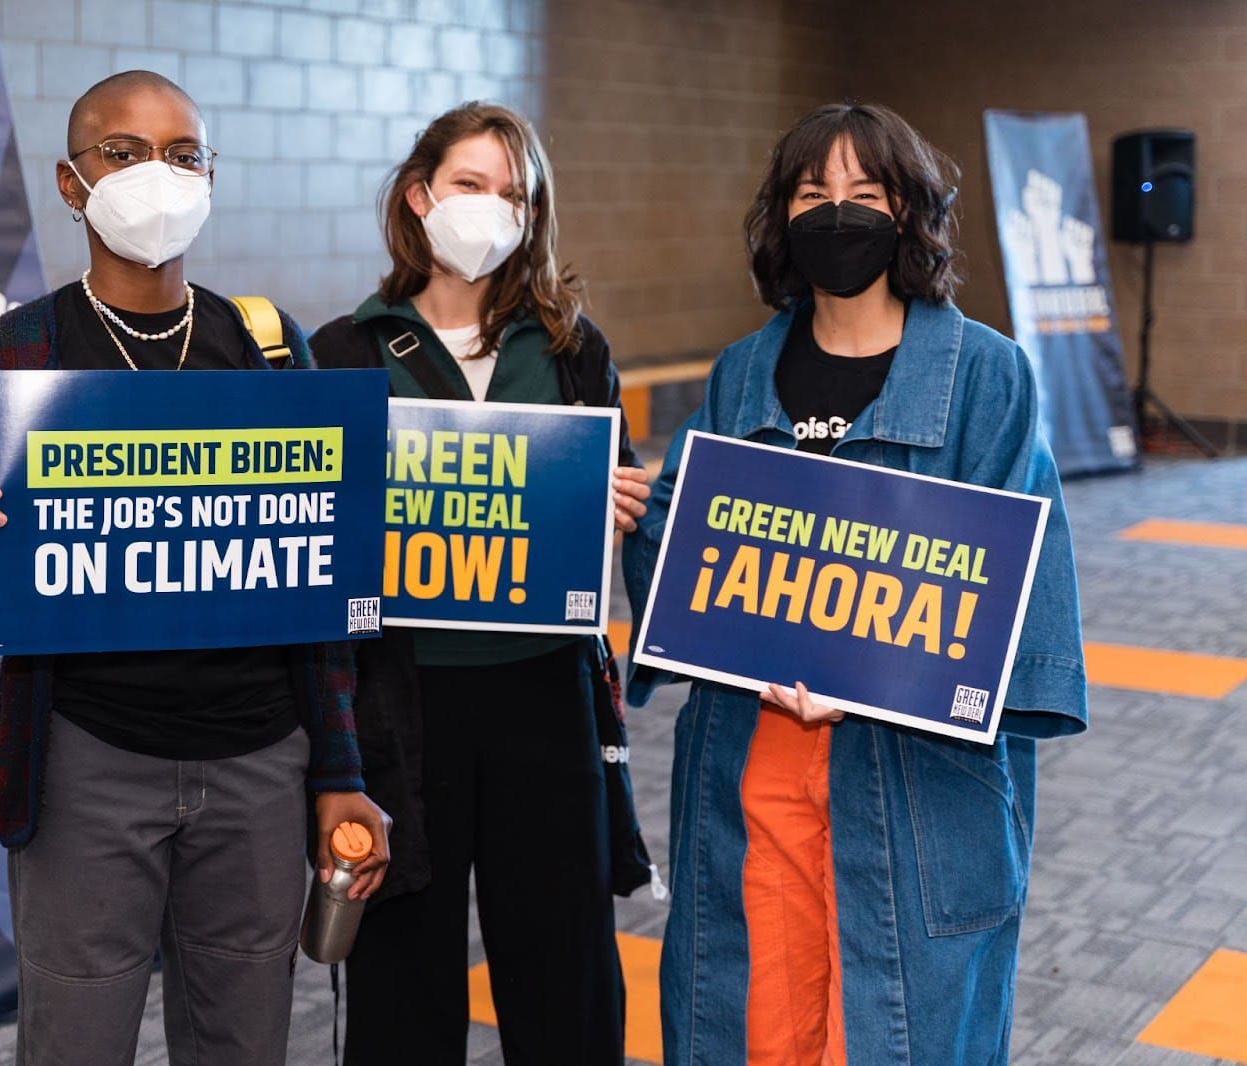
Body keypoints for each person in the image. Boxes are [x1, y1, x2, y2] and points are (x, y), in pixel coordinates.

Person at [0, 70, 390, 1066]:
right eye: (122, 153)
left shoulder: (270, 352)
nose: (155, 176)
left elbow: (319, 596)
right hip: (87, 759)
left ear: (213, 175)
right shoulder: (8, 361)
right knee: (75, 1039)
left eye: (182, 153)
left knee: (241, 1041)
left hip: (259, 761)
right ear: (72, 183)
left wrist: (337, 770)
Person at [624, 102, 1088, 1066]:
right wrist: (643, 519)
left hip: (916, 778)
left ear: (908, 213)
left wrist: (873, 674)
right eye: (813, 194)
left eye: (864, 195)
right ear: (783, 218)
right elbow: (691, 555)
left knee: (897, 1030)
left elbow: (1020, 577)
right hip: (756, 760)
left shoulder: (986, 376)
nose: (838, 214)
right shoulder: (743, 371)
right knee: (756, 1021)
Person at [309, 102, 651, 1066]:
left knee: (564, 974)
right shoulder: (343, 351)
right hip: (403, 701)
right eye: (470, 184)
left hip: (545, 695)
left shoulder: (575, 350)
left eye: (514, 193)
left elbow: (608, 512)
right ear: (420, 196)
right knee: (404, 981)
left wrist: (622, 502)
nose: (491, 208)